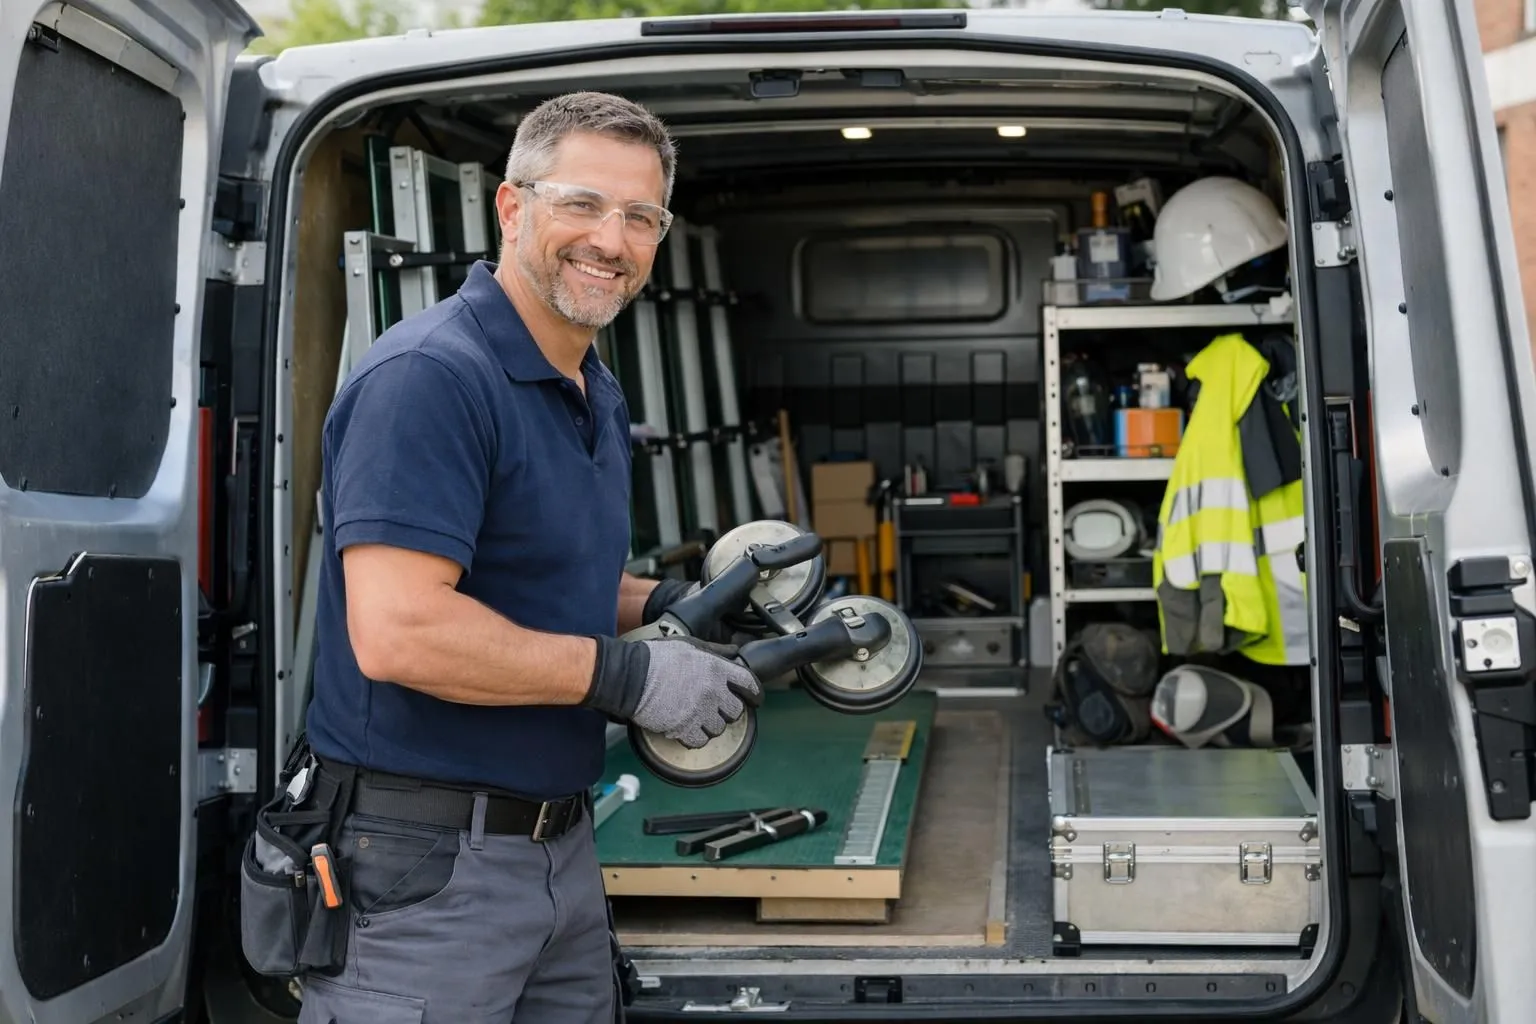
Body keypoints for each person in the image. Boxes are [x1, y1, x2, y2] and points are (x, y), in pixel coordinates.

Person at [293, 91, 760, 1024]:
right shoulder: (429, 379)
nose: (611, 240)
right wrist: (627, 678)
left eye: (640, 217)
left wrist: (682, 599)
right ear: (513, 208)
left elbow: (536, 580)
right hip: (424, 871)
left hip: (558, 853)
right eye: (581, 204)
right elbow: (401, 631)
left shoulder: (590, 386)